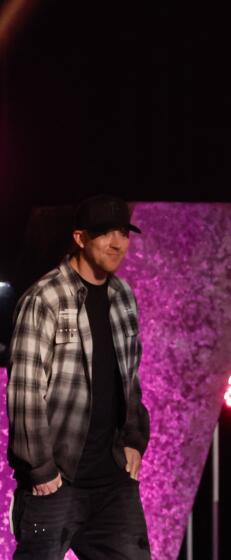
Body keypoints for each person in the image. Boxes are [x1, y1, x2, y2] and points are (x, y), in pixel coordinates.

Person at [7, 195, 151, 559]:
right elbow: (25, 392)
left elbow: (130, 377)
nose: (117, 243)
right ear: (80, 237)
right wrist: (40, 470)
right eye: (104, 233)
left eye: (123, 232)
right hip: (55, 486)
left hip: (113, 484)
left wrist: (134, 437)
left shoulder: (122, 297)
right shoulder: (45, 298)